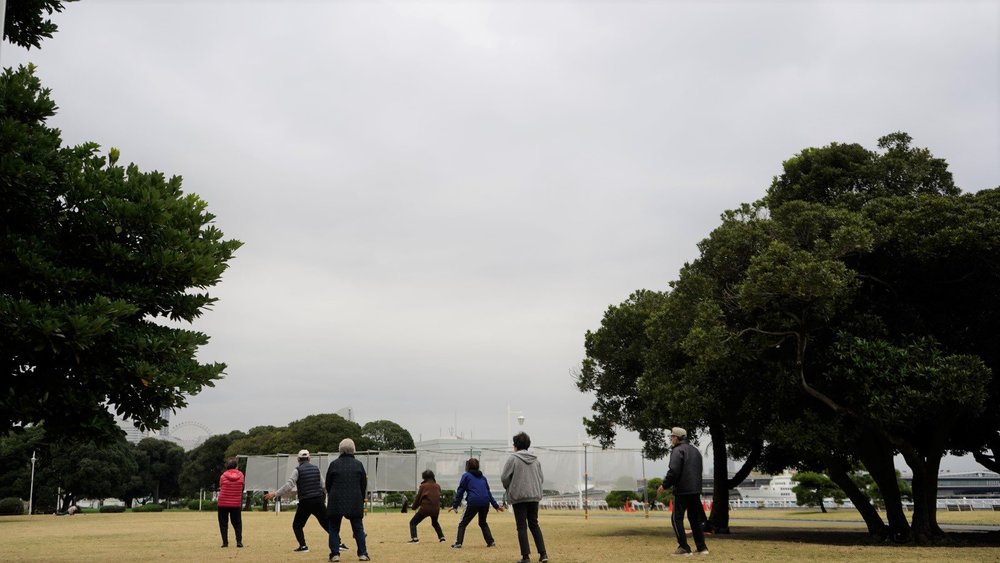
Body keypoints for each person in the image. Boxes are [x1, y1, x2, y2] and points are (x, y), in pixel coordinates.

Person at [265, 450, 331, 554]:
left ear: (298, 459)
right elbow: (324, 486)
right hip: (318, 500)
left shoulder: (297, 470)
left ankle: (303, 546)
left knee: (297, 525)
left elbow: (289, 485)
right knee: (326, 523)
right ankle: (339, 543)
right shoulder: (316, 469)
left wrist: (275, 493)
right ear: (309, 459)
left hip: (305, 502)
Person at [657, 427, 709, 556]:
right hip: (695, 490)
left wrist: (665, 485)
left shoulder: (677, 450)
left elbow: (674, 470)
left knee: (676, 518)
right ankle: (702, 548)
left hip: (682, 490)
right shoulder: (696, 451)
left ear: (678, 438)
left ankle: (684, 547)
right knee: (694, 519)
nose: (671, 439)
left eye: (672, 437)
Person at [501, 432, 548, 563]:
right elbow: (541, 478)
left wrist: (509, 487)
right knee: (534, 524)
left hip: (519, 496)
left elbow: (504, 477)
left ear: (515, 445)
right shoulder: (535, 460)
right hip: (534, 496)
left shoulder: (513, 458)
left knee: (521, 526)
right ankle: (543, 554)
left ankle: (526, 557)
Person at [326, 438, 370, 562]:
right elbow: (363, 484)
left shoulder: (334, 464)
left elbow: (328, 484)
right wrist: (360, 497)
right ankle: (363, 554)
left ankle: (335, 554)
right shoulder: (358, 464)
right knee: (358, 528)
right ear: (353, 450)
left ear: (340, 450)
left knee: (334, 528)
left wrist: (332, 494)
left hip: (336, 500)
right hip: (355, 500)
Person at [448, 457, 502, 549]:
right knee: (483, 522)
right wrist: (495, 505)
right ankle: (491, 542)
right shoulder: (483, 478)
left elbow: (460, 491)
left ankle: (458, 543)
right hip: (485, 502)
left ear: (468, 466)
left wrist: (455, 505)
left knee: (462, 523)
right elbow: (488, 492)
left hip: (473, 502)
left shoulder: (466, 476)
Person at [408, 470, 446, 543]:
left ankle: (415, 539)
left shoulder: (423, 486)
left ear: (424, 477)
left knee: (413, 522)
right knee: (435, 523)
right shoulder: (437, 486)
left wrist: (413, 507)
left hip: (425, 509)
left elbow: (418, 498)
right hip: (436, 509)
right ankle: (442, 538)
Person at [217, 457, 245, 548]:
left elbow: (221, 486)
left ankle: (225, 542)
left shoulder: (223, 476)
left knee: (223, 523)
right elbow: (242, 488)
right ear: (236, 466)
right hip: (236, 503)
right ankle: (239, 541)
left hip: (223, 503)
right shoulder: (241, 475)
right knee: (237, 523)